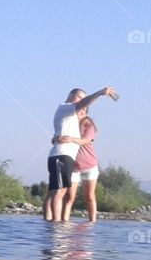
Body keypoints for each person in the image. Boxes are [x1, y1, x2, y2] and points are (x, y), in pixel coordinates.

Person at [44, 86, 116, 221]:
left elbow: (83, 139)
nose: (82, 104)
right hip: (64, 157)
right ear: (71, 96)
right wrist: (100, 93)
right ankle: (57, 223)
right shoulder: (67, 108)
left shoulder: (77, 121)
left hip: (74, 160)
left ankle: (52, 222)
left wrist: (59, 138)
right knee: (60, 192)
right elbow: (82, 104)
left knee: (58, 191)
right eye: (79, 98)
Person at [57, 107, 99, 222]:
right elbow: (57, 136)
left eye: (83, 110)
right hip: (73, 167)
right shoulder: (68, 124)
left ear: (86, 113)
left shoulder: (89, 125)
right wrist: (56, 138)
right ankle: (64, 222)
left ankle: (92, 222)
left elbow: (85, 140)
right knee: (69, 197)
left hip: (89, 165)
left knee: (89, 196)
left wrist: (71, 139)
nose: (80, 112)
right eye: (79, 110)